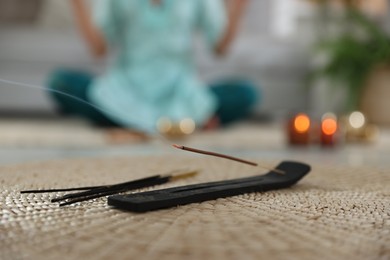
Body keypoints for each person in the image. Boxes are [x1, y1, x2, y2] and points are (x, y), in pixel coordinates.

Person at [48, 0, 259, 137]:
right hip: (125, 93)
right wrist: (78, 6)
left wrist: (238, 8)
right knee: (60, 83)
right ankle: (184, 125)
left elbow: (220, 48)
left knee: (246, 93)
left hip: (181, 95)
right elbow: (98, 48)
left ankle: (128, 125)